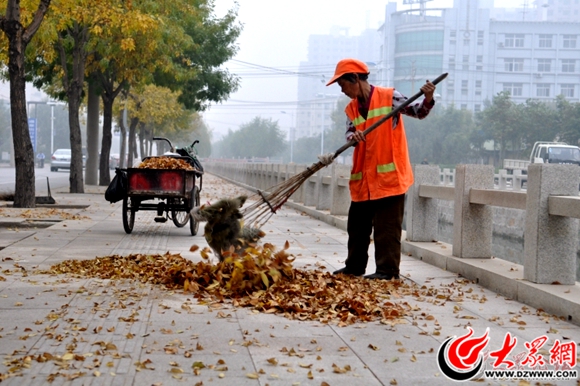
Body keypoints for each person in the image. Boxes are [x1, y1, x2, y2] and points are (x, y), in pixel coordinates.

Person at [326, 58, 436, 281]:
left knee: (386, 229)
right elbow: (349, 133)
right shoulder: (351, 108)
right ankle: (354, 267)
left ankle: (387, 271)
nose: (343, 91)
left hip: (389, 179)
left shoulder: (389, 97)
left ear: (355, 78)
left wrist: (428, 97)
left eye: (343, 85)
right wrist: (353, 137)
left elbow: (418, 111)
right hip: (363, 179)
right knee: (356, 228)